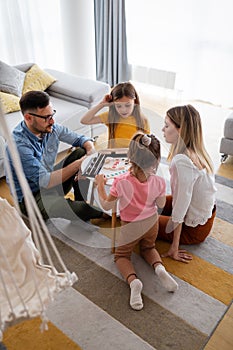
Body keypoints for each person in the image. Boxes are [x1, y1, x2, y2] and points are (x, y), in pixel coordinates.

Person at [95, 132, 178, 311]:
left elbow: (106, 206)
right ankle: (160, 270)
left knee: (121, 256)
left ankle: (134, 282)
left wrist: (100, 185)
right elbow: (161, 204)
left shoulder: (120, 181)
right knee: (149, 248)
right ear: (156, 161)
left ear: (130, 157)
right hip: (151, 224)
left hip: (130, 227)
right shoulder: (159, 181)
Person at [6, 90, 103, 222]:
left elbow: (82, 139)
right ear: (29, 118)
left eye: (52, 115)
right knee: (81, 209)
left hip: (49, 183)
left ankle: (81, 200)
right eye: (46, 117)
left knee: (82, 151)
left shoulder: (49, 127)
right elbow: (47, 181)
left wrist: (90, 153)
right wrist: (80, 164)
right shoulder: (18, 146)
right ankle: (103, 213)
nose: (52, 121)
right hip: (31, 199)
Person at [158, 104, 217, 263]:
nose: (163, 129)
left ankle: (111, 212)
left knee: (142, 218)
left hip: (194, 229)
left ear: (180, 130)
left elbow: (180, 206)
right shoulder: (197, 151)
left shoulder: (182, 161)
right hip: (204, 215)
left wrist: (174, 247)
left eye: (166, 125)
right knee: (151, 200)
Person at [80, 82, 150, 148]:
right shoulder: (111, 116)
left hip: (134, 156)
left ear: (135, 102)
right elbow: (84, 120)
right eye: (119, 106)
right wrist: (102, 105)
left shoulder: (143, 120)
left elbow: (147, 144)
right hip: (113, 156)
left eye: (128, 105)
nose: (123, 110)